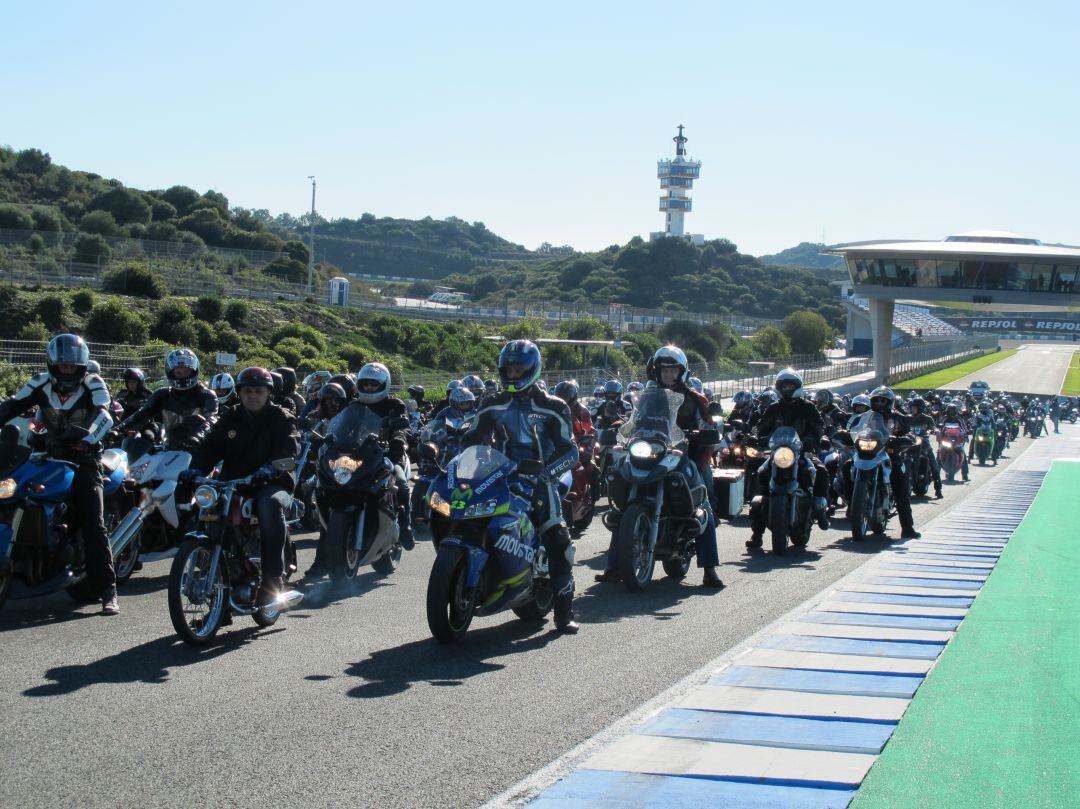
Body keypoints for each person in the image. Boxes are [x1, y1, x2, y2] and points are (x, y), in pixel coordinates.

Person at [463, 340, 582, 632]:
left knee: (558, 540)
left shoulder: (553, 406)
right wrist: (453, 455)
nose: (513, 375)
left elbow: (571, 451)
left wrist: (547, 471)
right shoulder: (491, 403)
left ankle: (564, 614)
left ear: (533, 369)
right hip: (499, 475)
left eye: (520, 369)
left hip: (540, 479)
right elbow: (472, 439)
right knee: (465, 513)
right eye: (509, 369)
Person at [0, 334, 119, 614]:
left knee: (93, 521)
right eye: (63, 366)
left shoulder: (93, 383)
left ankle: (107, 590)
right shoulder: (40, 382)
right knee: (12, 493)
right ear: (53, 364)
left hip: (84, 459)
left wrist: (88, 439)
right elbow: (11, 406)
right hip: (46, 455)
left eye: (72, 366)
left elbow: (106, 415)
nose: (68, 370)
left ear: (82, 366)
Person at [599, 346, 724, 588]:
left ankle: (710, 569)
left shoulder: (694, 398)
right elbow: (634, 421)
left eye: (673, 369)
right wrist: (619, 431)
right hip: (650, 452)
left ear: (682, 371)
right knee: (626, 504)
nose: (668, 374)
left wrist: (704, 435)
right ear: (655, 371)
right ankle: (615, 565)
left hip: (681, 455)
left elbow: (708, 426)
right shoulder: (647, 395)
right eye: (664, 369)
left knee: (703, 504)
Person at [184, 367, 300, 610]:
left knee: (269, 504)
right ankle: (211, 570)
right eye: (247, 391)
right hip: (234, 482)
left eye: (258, 391)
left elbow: (289, 449)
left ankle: (272, 581)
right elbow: (210, 448)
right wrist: (195, 469)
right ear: (240, 393)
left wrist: (270, 469)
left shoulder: (281, 417)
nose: (253, 396)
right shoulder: (230, 417)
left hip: (273, 483)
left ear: (268, 392)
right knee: (206, 506)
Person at [747, 368, 831, 549]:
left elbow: (818, 427)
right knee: (761, 475)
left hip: (800, 452)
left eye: (790, 385)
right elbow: (762, 425)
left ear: (798, 386)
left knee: (821, 471)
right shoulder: (774, 408)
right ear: (779, 387)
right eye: (784, 385)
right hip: (778, 454)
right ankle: (757, 535)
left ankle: (820, 509)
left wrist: (817, 439)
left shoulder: (807, 407)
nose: (787, 388)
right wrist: (755, 436)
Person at [352, 362, 415, 550]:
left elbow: (403, 426)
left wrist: (398, 438)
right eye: (365, 384)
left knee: (401, 483)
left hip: (389, 455)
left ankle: (405, 524)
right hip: (360, 456)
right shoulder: (355, 405)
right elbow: (343, 425)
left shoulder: (394, 404)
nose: (369, 387)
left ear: (384, 384)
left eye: (374, 384)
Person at [119, 349, 216, 452]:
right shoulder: (162, 394)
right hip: (171, 449)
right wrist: (118, 429)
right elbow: (141, 414)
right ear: (171, 373)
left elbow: (212, 419)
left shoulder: (206, 395)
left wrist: (198, 436)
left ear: (194, 371)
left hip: (201, 450)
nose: (182, 376)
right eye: (179, 372)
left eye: (186, 372)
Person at [866, 387, 921, 538]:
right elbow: (853, 427)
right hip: (868, 454)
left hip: (889, 455)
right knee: (847, 466)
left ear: (889, 402)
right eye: (876, 400)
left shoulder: (898, 417)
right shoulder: (866, 416)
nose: (879, 403)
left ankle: (907, 527)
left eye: (882, 400)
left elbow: (908, 432)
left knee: (899, 482)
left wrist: (905, 439)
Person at [907, 397, 943, 498]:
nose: (911, 409)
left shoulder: (927, 418)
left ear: (919, 408)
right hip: (910, 444)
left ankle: (938, 489)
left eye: (913, 407)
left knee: (935, 466)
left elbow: (935, 428)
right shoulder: (907, 417)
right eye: (911, 407)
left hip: (924, 445)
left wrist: (937, 432)